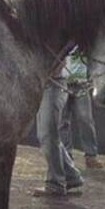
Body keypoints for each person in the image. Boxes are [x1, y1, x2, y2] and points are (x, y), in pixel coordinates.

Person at [33, 69, 85, 197]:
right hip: (47, 84)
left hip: (54, 84)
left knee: (48, 135)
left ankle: (55, 183)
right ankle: (72, 176)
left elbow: (60, 63)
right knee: (47, 135)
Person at [59, 48, 103, 169]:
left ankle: (91, 156)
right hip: (63, 82)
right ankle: (66, 156)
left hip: (81, 84)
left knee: (85, 119)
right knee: (62, 121)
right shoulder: (64, 40)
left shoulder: (83, 41)